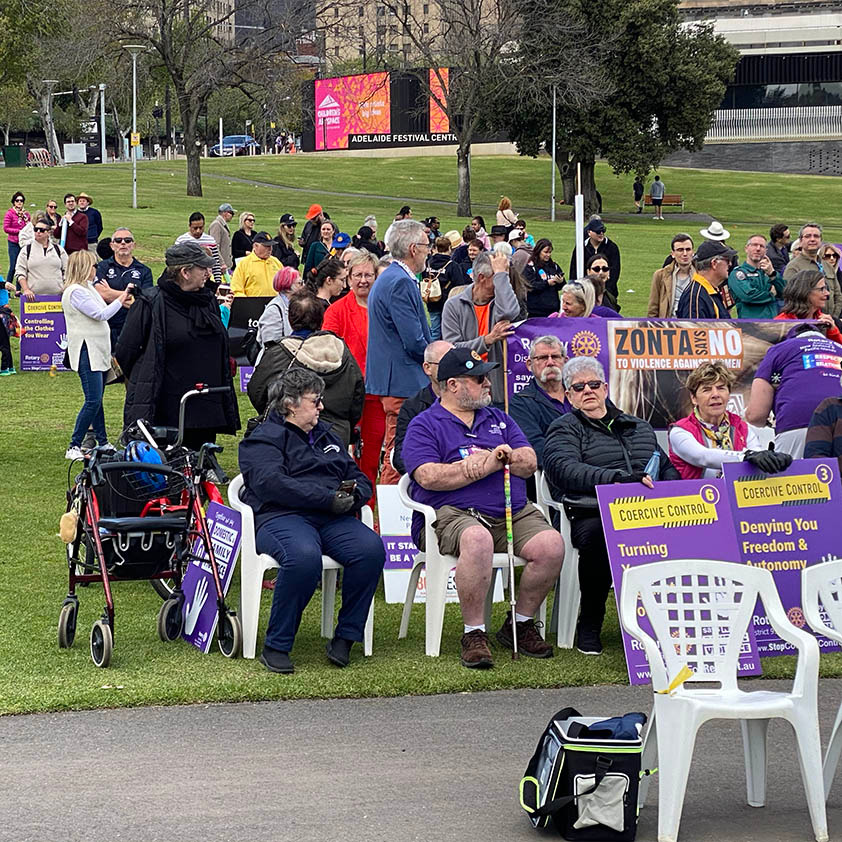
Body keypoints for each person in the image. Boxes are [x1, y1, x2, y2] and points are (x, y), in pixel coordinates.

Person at [401, 347, 563, 668]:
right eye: (477, 378)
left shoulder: (499, 419)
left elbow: (529, 461)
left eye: (486, 376)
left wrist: (501, 459)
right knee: (477, 540)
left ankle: (520, 623)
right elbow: (426, 475)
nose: (487, 383)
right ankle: (474, 633)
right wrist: (473, 468)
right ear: (452, 385)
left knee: (552, 545)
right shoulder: (425, 424)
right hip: (452, 515)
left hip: (511, 511)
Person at [238, 368, 385, 674]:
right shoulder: (263, 438)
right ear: (290, 404)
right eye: (315, 400)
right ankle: (276, 644)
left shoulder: (326, 435)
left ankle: (346, 637)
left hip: (331, 517)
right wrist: (325, 498)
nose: (321, 406)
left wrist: (352, 497)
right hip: (280, 516)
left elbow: (358, 477)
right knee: (303, 558)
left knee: (370, 549)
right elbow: (271, 484)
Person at [543, 356, 679, 654]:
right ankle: (590, 621)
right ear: (568, 395)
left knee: (689, 529)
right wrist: (616, 479)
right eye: (578, 387)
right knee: (600, 537)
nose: (588, 391)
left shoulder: (639, 427)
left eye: (593, 384)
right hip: (592, 511)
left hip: (650, 512)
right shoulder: (564, 428)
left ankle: (675, 621)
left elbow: (667, 469)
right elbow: (561, 469)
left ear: (605, 388)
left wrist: (673, 493)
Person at [115, 242, 240, 451]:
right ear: (185, 272)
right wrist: (145, 376)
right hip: (167, 404)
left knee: (198, 470)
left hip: (205, 403)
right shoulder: (150, 302)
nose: (208, 273)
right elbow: (125, 351)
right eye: (203, 268)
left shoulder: (207, 299)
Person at [248, 290, 363, 447]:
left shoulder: (278, 353)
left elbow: (257, 390)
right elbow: (357, 395)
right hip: (334, 433)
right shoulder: (340, 349)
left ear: (290, 319)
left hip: (291, 431)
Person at [365, 219, 432, 485]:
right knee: (400, 453)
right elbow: (414, 341)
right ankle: (392, 522)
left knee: (400, 447)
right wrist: (436, 360)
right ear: (414, 248)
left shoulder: (392, 278)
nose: (429, 251)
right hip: (403, 383)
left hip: (397, 380)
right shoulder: (400, 282)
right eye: (426, 246)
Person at [323, 250, 385, 501]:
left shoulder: (383, 308)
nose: (363, 280)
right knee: (340, 457)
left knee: (370, 459)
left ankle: (367, 509)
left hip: (376, 394)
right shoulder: (337, 311)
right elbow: (328, 349)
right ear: (348, 278)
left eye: (368, 275)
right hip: (345, 397)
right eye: (358, 275)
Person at [61, 251, 132, 459]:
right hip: (87, 350)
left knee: (97, 399)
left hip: (98, 349)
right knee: (92, 399)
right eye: (93, 266)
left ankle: (103, 442)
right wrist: (122, 297)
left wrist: (117, 296)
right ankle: (74, 445)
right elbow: (101, 314)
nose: (96, 270)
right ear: (84, 268)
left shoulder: (88, 288)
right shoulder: (76, 292)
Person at [667, 362, 786, 479]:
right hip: (695, 497)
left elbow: (756, 455)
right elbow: (702, 457)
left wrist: (769, 460)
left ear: (729, 394)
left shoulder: (742, 427)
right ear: (694, 398)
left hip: (734, 495)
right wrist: (746, 456)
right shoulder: (679, 431)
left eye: (721, 388)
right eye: (706, 390)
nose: (715, 395)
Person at [746, 322, 842, 458]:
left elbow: (756, 414)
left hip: (796, 426)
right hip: (839, 421)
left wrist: (766, 422)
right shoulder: (839, 348)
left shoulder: (779, 349)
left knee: (797, 478)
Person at [441, 250, 519, 405]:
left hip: (498, 388)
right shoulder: (454, 306)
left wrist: (501, 275)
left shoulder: (501, 301)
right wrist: (487, 340)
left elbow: (510, 311)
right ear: (482, 278)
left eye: (503, 276)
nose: (502, 281)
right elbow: (453, 349)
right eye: (497, 276)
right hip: (467, 389)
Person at [508, 335, 569, 492]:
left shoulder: (585, 391)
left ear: (566, 361)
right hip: (558, 480)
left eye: (555, 356)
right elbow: (536, 447)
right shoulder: (521, 403)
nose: (550, 362)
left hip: (602, 467)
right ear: (529, 364)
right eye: (542, 358)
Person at [392, 340, 454, 475]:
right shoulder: (412, 407)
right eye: (445, 363)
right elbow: (401, 456)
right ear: (427, 368)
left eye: (455, 362)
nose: (453, 368)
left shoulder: (471, 401)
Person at [93, 227, 154, 348]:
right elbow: (101, 294)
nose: (123, 243)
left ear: (133, 245)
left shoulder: (144, 271)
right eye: (118, 240)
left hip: (133, 326)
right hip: (107, 325)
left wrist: (111, 292)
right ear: (112, 245)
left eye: (127, 240)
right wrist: (129, 295)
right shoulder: (102, 267)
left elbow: (144, 303)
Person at [784, 222, 841, 317]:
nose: (812, 239)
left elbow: (838, 295)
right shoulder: (793, 267)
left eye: (816, 236)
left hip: (829, 322)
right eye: (808, 236)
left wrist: (833, 317)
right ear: (801, 241)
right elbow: (791, 299)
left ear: (821, 240)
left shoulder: (827, 265)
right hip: (807, 322)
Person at [774, 268, 842, 344]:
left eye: (826, 288)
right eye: (822, 289)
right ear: (805, 292)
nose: (827, 293)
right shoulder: (781, 323)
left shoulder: (826, 321)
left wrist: (833, 331)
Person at [676, 240, 738, 319]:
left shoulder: (708, 291)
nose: (730, 264)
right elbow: (695, 330)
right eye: (727, 260)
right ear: (714, 263)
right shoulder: (696, 297)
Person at [728, 234, 784, 319]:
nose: (758, 249)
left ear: (766, 251)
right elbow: (749, 296)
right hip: (750, 326)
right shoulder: (738, 273)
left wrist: (772, 274)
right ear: (746, 248)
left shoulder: (769, 273)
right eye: (754, 245)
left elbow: (785, 292)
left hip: (772, 324)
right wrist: (771, 294)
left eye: (761, 246)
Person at [569, 217, 621, 307]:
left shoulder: (612, 247)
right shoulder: (581, 248)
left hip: (607, 292)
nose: (601, 234)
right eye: (598, 231)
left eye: (603, 231)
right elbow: (574, 270)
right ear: (589, 232)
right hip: (585, 291)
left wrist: (606, 290)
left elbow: (615, 271)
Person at [423, 235, 467, 340]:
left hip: (432, 300)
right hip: (448, 303)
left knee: (434, 331)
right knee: (448, 332)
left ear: (436, 248)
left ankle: (432, 352)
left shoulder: (428, 263)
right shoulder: (452, 265)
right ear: (449, 249)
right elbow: (459, 286)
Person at [14, 221, 67, 299]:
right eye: (36, 229)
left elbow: (68, 271)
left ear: (48, 233)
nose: (38, 232)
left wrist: (66, 288)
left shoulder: (58, 249)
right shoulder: (26, 250)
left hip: (58, 297)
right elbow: (20, 271)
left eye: (41, 230)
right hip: (33, 298)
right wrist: (26, 289)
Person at [647, 233, 696, 318]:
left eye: (688, 249)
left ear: (693, 252)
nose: (685, 254)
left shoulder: (701, 275)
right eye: (680, 250)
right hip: (668, 326)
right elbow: (653, 308)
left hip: (692, 326)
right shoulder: (660, 275)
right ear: (673, 254)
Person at [256, 266, 303, 346]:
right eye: (300, 283)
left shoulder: (296, 305)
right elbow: (271, 345)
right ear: (288, 288)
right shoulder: (273, 310)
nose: (303, 286)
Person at [175, 212, 222, 286]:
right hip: (187, 281)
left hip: (206, 280)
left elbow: (215, 263)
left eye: (201, 228)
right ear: (189, 226)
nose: (198, 231)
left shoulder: (210, 241)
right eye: (195, 228)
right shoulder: (181, 241)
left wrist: (218, 282)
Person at [231, 232, 283, 297]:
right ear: (255, 246)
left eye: (271, 246)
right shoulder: (244, 264)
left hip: (274, 304)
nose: (270, 249)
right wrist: (246, 303)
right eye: (266, 246)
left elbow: (285, 286)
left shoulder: (276, 262)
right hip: (253, 305)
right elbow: (236, 289)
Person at [524, 238, 564, 318]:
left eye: (550, 252)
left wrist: (560, 282)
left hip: (553, 310)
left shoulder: (554, 266)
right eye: (545, 252)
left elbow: (563, 286)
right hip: (536, 310)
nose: (548, 255)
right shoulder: (531, 267)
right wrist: (547, 283)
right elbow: (530, 285)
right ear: (538, 251)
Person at [4, 191, 30, 276]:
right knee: (13, 265)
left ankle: (18, 288)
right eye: (17, 200)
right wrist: (19, 232)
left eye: (21, 201)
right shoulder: (10, 214)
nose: (19, 202)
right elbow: (6, 228)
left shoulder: (26, 214)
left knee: (22, 266)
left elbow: (29, 226)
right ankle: (7, 285)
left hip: (24, 243)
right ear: (14, 202)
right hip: (13, 242)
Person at [208, 203, 235, 274]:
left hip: (226, 266)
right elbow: (214, 246)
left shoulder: (223, 225)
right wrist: (221, 263)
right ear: (225, 213)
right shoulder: (216, 225)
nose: (232, 215)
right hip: (220, 267)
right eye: (231, 213)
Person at [0, 277, 17, 375]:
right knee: (5, 340)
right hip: (4, 312)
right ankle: (10, 366)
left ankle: (5, 367)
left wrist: (12, 287)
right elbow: (6, 285)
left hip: (2, 312)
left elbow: (6, 285)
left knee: (3, 342)